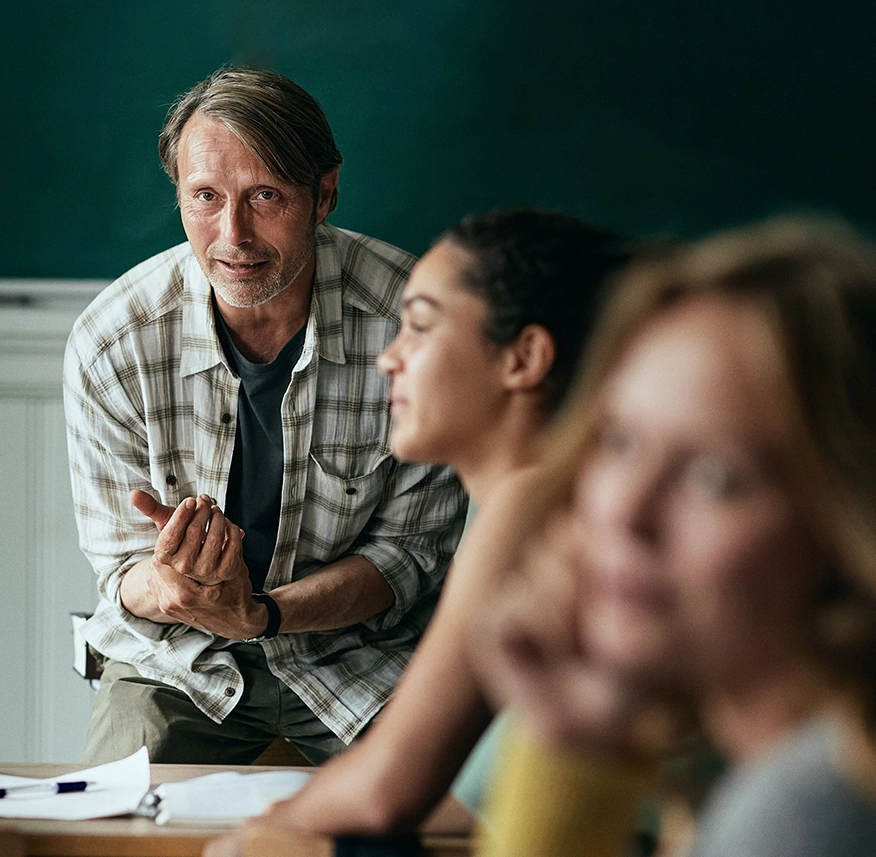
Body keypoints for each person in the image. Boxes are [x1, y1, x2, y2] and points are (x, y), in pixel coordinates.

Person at [64, 67, 466, 765]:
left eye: (266, 195)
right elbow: (120, 566)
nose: (233, 234)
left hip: (364, 656)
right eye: (205, 197)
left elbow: (407, 556)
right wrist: (172, 585)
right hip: (175, 660)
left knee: (431, 819)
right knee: (115, 827)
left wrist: (263, 614)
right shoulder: (112, 342)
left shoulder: (416, 326)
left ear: (324, 195)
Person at [204, 208, 630, 852]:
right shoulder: (531, 501)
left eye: (421, 328)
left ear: (525, 358)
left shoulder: (528, 504)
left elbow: (386, 791)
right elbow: (468, 798)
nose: (390, 359)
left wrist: (266, 833)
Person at [472, 217, 876, 856]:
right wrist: (576, 744)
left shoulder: (807, 814)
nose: (626, 513)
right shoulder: (763, 772)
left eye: (716, 477)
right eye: (621, 441)